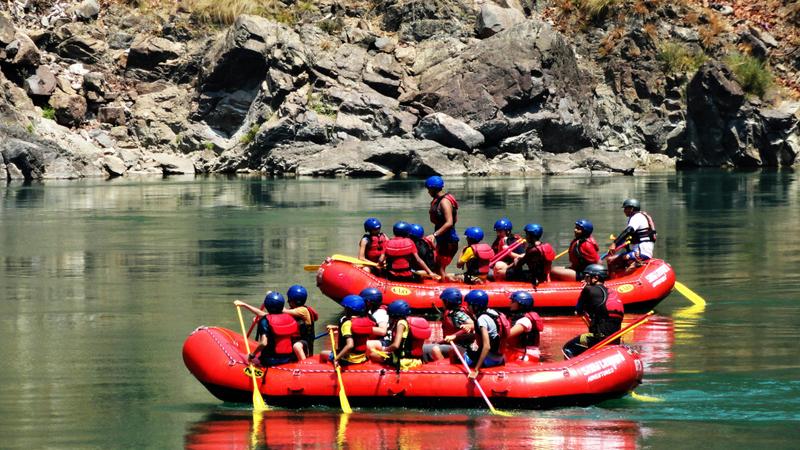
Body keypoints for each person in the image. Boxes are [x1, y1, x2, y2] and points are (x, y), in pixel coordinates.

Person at [562, 264, 624, 359]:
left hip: (599, 339)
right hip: (615, 340)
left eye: (587, 277)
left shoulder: (588, 290)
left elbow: (578, 310)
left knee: (567, 348)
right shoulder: (612, 293)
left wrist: (584, 290)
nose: (584, 280)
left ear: (595, 278)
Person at [234, 292, 303, 366]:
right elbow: (260, 313)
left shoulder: (265, 321)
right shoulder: (289, 318)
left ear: (267, 305)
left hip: (270, 360)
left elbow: (264, 343)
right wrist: (244, 305)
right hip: (288, 359)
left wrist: (252, 355)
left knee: (245, 358)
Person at [370, 300, 436, 368]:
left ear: (395, 314)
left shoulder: (400, 324)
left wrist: (385, 350)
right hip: (408, 358)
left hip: (402, 360)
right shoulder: (404, 321)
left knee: (372, 355)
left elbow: (396, 345)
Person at [321, 295, 375, 367]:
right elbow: (355, 332)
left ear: (348, 310)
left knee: (323, 353)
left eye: (345, 308)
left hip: (348, 360)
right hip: (362, 358)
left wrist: (336, 359)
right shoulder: (364, 321)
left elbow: (350, 345)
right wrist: (337, 327)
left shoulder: (347, 324)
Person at [463, 290, 506, 378]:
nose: (467, 307)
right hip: (500, 358)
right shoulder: (494, 312)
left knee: (459, 353)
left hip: (489, 360)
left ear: (475, 306)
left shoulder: (481, 319)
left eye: (469, 305)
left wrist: (476, 370)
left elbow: (487, 346)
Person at [607, 199, 657, 274]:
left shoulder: (636, 217)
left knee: (610, 260)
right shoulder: (640, 217)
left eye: (626, 208)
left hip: (641, 252)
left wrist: (614, 243)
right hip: (642, 250)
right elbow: (630, 236)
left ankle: (614, 281)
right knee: (615, 259)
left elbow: (628, 231)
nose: (624, 210)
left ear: (632, 208)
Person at [425, 176, 459, 281]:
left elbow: (450, 222)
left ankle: (443, 288)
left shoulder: (444, 202)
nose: (428, 192)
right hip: (444, 238)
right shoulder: (440, 200)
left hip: (448, 240)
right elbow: (455, 219)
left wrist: (435, 235)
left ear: (434, 188)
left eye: (429, 189)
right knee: (438, 266)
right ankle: (443, 282)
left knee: (440, 267)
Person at [430, 287, 475, 359]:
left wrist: (454, 335)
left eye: (443, 301)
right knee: (430, 346)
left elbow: (473, 324)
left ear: (447, 302)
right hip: (453, 345)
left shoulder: (458, 314)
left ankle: (444, 368)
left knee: (432, 349)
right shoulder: (451, 313)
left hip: (461, 347)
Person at [505, 291, 543, 362]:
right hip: (516, 351)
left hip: (525, 355)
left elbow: (507, 335)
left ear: (521, 304)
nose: (510, 303)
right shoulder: (516, 318)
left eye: (513, 301)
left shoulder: (525, 321)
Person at [282, 285, 319, 355]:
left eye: (289, 299)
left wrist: (273, 302)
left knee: (297, 346)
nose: (287, 301)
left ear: (295, 301)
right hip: (296, 342)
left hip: (305, 344)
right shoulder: (295, 311)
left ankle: (304, 364)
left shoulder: (303, 310)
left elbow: (283, 311)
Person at [362, 287, 391, 357]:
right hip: (377, 341)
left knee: (364, 345)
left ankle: (388, 358)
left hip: (385, 342)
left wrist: (363, 328)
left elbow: (383, 331)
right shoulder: (370, 312)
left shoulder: (380, 313)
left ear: (369, 303)